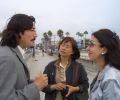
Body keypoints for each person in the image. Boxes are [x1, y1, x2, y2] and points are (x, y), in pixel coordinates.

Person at [0, 14, 48, 100]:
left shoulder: (13, 52)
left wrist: (31, 83)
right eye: (32, 30)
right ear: (19, 32)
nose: (36, 35)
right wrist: (36, 86)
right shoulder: (7, 58)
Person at [86, 29, 120, 100]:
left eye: (92, 44)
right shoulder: (102, 71)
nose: (87, 48)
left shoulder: (110, 79)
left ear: (104, 50)